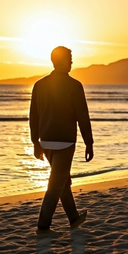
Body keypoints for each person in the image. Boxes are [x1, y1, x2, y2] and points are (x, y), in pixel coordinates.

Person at [29, 46, 94, 232]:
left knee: (61, 180)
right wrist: (89, 143)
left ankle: (73, 217)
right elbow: (83, 116)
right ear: (63, 60)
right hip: (65, 143)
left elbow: (33, 116)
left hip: (46, 141)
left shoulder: (39, 85)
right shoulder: (74, 86)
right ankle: (43, 224)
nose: (72, 62)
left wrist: (35, 142)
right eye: (70, 58)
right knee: (55, 184)